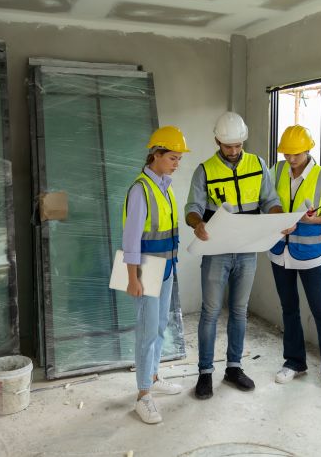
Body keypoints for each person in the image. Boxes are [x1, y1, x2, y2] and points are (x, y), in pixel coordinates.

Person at [185, 112, 283, 399]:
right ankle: (205, 373)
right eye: (228, 146)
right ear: (217, 141)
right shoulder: (205, 170)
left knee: (240, 311)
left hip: (247, 251)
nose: (234, 151)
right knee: (211, 312)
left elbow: (270, 201)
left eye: (238, 145)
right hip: (217, 252)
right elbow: (193, 206)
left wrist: (280, 219)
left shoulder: (258, 164)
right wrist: (197, 223)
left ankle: (234, 368)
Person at [268, 125, 321, 399]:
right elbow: (268, 201)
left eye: (296, 154)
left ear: (308, 149)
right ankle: (294, 362)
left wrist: (309, 220)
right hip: (280, 251)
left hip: (310, 254)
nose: (291, 159)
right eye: (287, 154)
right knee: (289, 308)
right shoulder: (277, 170)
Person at [122, 125, 191, 424]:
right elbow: (131, 238)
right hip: (147, 269)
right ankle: (143, 394)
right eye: (173, 158)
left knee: (160, 325)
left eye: (178, 158)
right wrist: (132, 278)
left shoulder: (165, 186)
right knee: (147, 331)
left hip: (166, 267)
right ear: (156, 155)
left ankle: (153, 375)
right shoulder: (140, 189)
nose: (177, 163)